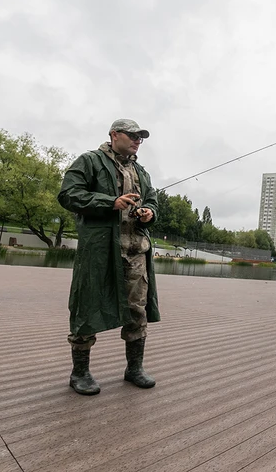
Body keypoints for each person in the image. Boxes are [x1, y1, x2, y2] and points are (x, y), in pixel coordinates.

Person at [58, 119, 160, 396]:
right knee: (86, 307)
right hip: (100, 252)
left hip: (135, 251)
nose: (138, 140)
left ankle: (134, 369)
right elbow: (68, 195)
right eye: (133, 135)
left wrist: (148, 212)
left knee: (137, 311)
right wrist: (109, 202)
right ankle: (79, 373)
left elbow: (152, 200)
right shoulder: (89, 161)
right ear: (115, 135)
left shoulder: (141, 171)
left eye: (141, 137)